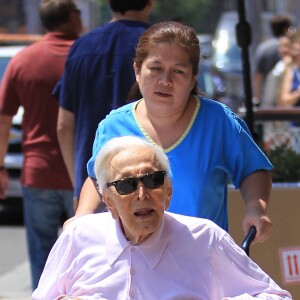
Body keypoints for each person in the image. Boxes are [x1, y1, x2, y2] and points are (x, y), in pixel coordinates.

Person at [74, 21, 273, 244]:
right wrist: (82, 215)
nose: (165, 81)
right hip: (133, 263)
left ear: (193, 77)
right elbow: (97, 179)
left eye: (178, 71)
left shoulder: (219, 121)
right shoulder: (113, 126)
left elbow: (252, 170)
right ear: (138, 70)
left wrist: (256, 207)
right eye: (156, 68)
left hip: (201, 262)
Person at [32, 136, 292, 300]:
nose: (142, 194)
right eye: (126, 185)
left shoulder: (204, 238)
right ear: (108, 201)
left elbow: (274, 296)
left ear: (168, 192)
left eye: (153, 180)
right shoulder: (79, 236)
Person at [0, 0, 82, 289]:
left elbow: (3, 118)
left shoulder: (23, 60)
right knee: (87, 257)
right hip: (84, 175)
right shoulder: (84, 56)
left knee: (43, 259)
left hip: (38, 172)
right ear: (72, 18)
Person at [56, 0, 154, 211]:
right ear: (150, 2)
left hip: (94, 185)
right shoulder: (158, 45)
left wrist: (79, 186)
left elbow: (64, 126)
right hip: (149, 186)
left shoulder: (81, 46)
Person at [252, 15, 292, 105]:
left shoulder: (263, 48)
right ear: (286, 28)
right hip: (288, 101)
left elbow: (258, 76)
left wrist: (257, 98)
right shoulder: (291, 48)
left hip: (267, 100)